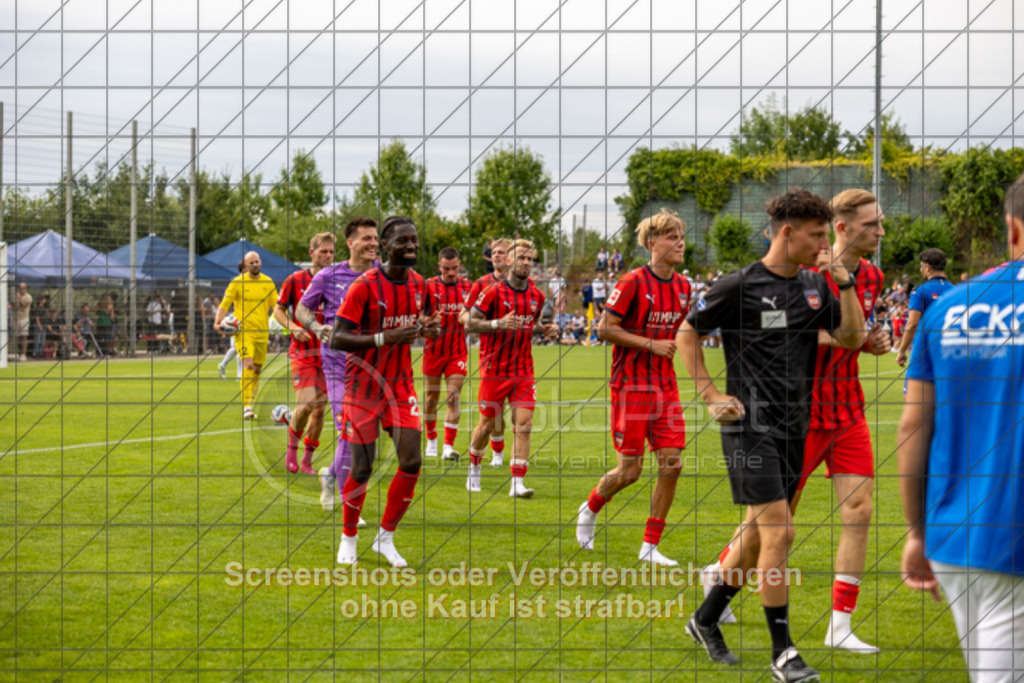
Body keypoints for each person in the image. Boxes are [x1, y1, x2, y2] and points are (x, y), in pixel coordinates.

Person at [677, 189, 867, 680]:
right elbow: (687, 330)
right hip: (748, 426)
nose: (824, 244)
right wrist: (710, 394)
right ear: (788, 232)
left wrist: (844, 286)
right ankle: (783, 652)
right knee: (780, 532)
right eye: (818, 235)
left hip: (794, 428)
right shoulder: (738, 284)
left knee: (762, 540)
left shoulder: (814, 285)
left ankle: (704, 618)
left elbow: (850, 338)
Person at [898, 172, 1024, 681]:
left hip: (956, 534)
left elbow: (912, 428)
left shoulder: (949, 308)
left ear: (1012, 229)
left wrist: (915, 531)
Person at [575, 209, 691, 566]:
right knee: (631, 471)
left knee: (672, 465)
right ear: (652, 243)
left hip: (666, 387)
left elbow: (684, 332)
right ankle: (591, 507)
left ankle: (650, 546)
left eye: (681, 235)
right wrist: (649, 344)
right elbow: (604, 329)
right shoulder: (632, 282)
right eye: (671, 236)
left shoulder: (685, 286)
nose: (680, 242)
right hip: (631, 387)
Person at [328, 215, 440, 568]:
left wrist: (430, 329)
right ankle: (348, 537)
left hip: (400, 384)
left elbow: (427, 320)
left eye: (414, 240)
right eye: (403, 241)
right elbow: (337, 338)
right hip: (362, 387)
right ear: (386, 247)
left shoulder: (421, 284)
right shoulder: (364, 286)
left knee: (412, 460)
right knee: (362, 468)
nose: (411, 246)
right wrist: (383, 337)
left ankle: (385, 537)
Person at [464, 239, 557, 496]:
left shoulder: (537, 295)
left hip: (524, 371)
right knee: (486, 425)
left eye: (530, 259)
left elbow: (529, 325)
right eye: (521, 258)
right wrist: (498, 324)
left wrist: (544, 330)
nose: (526, 263)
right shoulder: (493, 291)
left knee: (524, 424)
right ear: (509, 261)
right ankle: (474, 465)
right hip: (494, 370)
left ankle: (517, 484)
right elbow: (469, 323)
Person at [300, 217, 378, 513]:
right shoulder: (328, 276)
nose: (372, 244)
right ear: (350, 242)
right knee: (349, 428)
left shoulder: (382, 276)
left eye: (375, 239)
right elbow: (303, 308)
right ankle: (350, 507)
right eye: (366, 238)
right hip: (337, 366)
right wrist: (317, 327)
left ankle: (330, 473)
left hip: (373, 367)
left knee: (361, 433)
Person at [273, 232, 335, 474]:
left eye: (331, 252)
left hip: (329, 355)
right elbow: (279, 311)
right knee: (307, 404)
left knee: (320, 409)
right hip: (303, 352)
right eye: (323, 252)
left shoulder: (339, 281)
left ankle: (308, 460)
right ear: (312, 253)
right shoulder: (295, 280)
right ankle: (291, 450)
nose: (328, 256)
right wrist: (293, 327)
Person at [458, 238, 514, 467]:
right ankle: (496, 452)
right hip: (490, 356)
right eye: (494, 252)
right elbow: (463, 316)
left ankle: (502, 455)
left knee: (514, 413)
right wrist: (492, 323)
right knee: (494, 409)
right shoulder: (481, 283)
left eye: (502, 252)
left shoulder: (524, 284)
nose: (497, 256)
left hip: (519, 358)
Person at [422, 247, 473, 460]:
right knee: (431, 397)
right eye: (446, 268)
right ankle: (431, 439)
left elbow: (475, 314)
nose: (451, 272)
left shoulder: (468, 287)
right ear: (439, 266)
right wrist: (428, 320)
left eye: (455, 268)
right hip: (433, 350)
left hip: (457, 351)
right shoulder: (428, 286)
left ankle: (447, 447)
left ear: (459, 265)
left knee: (453, 396)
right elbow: (418, 316)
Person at [214, 251, 278, 420]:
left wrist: (290, 326)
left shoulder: (268, 282)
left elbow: (277, 307)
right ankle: (247, 407)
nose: (254, 264)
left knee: (257, 370)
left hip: (262, 333)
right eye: (251, 262)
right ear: (245, 265)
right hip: (243, 332)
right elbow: (225, 304)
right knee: (248, 365)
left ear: (260, 262)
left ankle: (251, 403)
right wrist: (217, 322)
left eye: (257, 261)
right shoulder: (237, 283)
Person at [895, 248, 954, 369]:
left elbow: (912, 323)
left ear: (928, 267)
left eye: (921, 266)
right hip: (950, 348)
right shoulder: (955, 290)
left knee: (917, 387)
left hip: (925, 349)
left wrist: (901, 350)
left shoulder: (920, 290)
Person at [217, 262, 247, 379]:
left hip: (244, 318)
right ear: (243, 269)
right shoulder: (237, 281)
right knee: (239, 347)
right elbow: (228, 299)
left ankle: (223, 365)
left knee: (237, 347)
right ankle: (239, 375)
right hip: (238, 318)